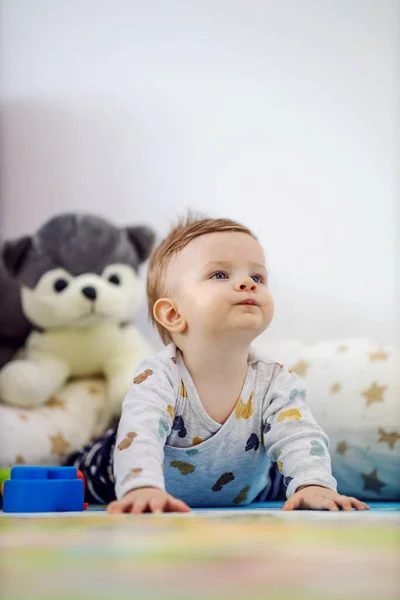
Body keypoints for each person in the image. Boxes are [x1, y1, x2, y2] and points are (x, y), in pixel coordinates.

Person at [67, 216, 369, 514]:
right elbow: (140, 434)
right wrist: (141, 488)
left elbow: (299, 436)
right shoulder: (159, 376)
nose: (246, 284)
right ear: (173, 314)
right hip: (119, 471)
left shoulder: (275, 380)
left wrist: (313, 486)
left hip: (247, 485)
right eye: (220, 275)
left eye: (257, 277)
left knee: (286, 473)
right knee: (76, 475)